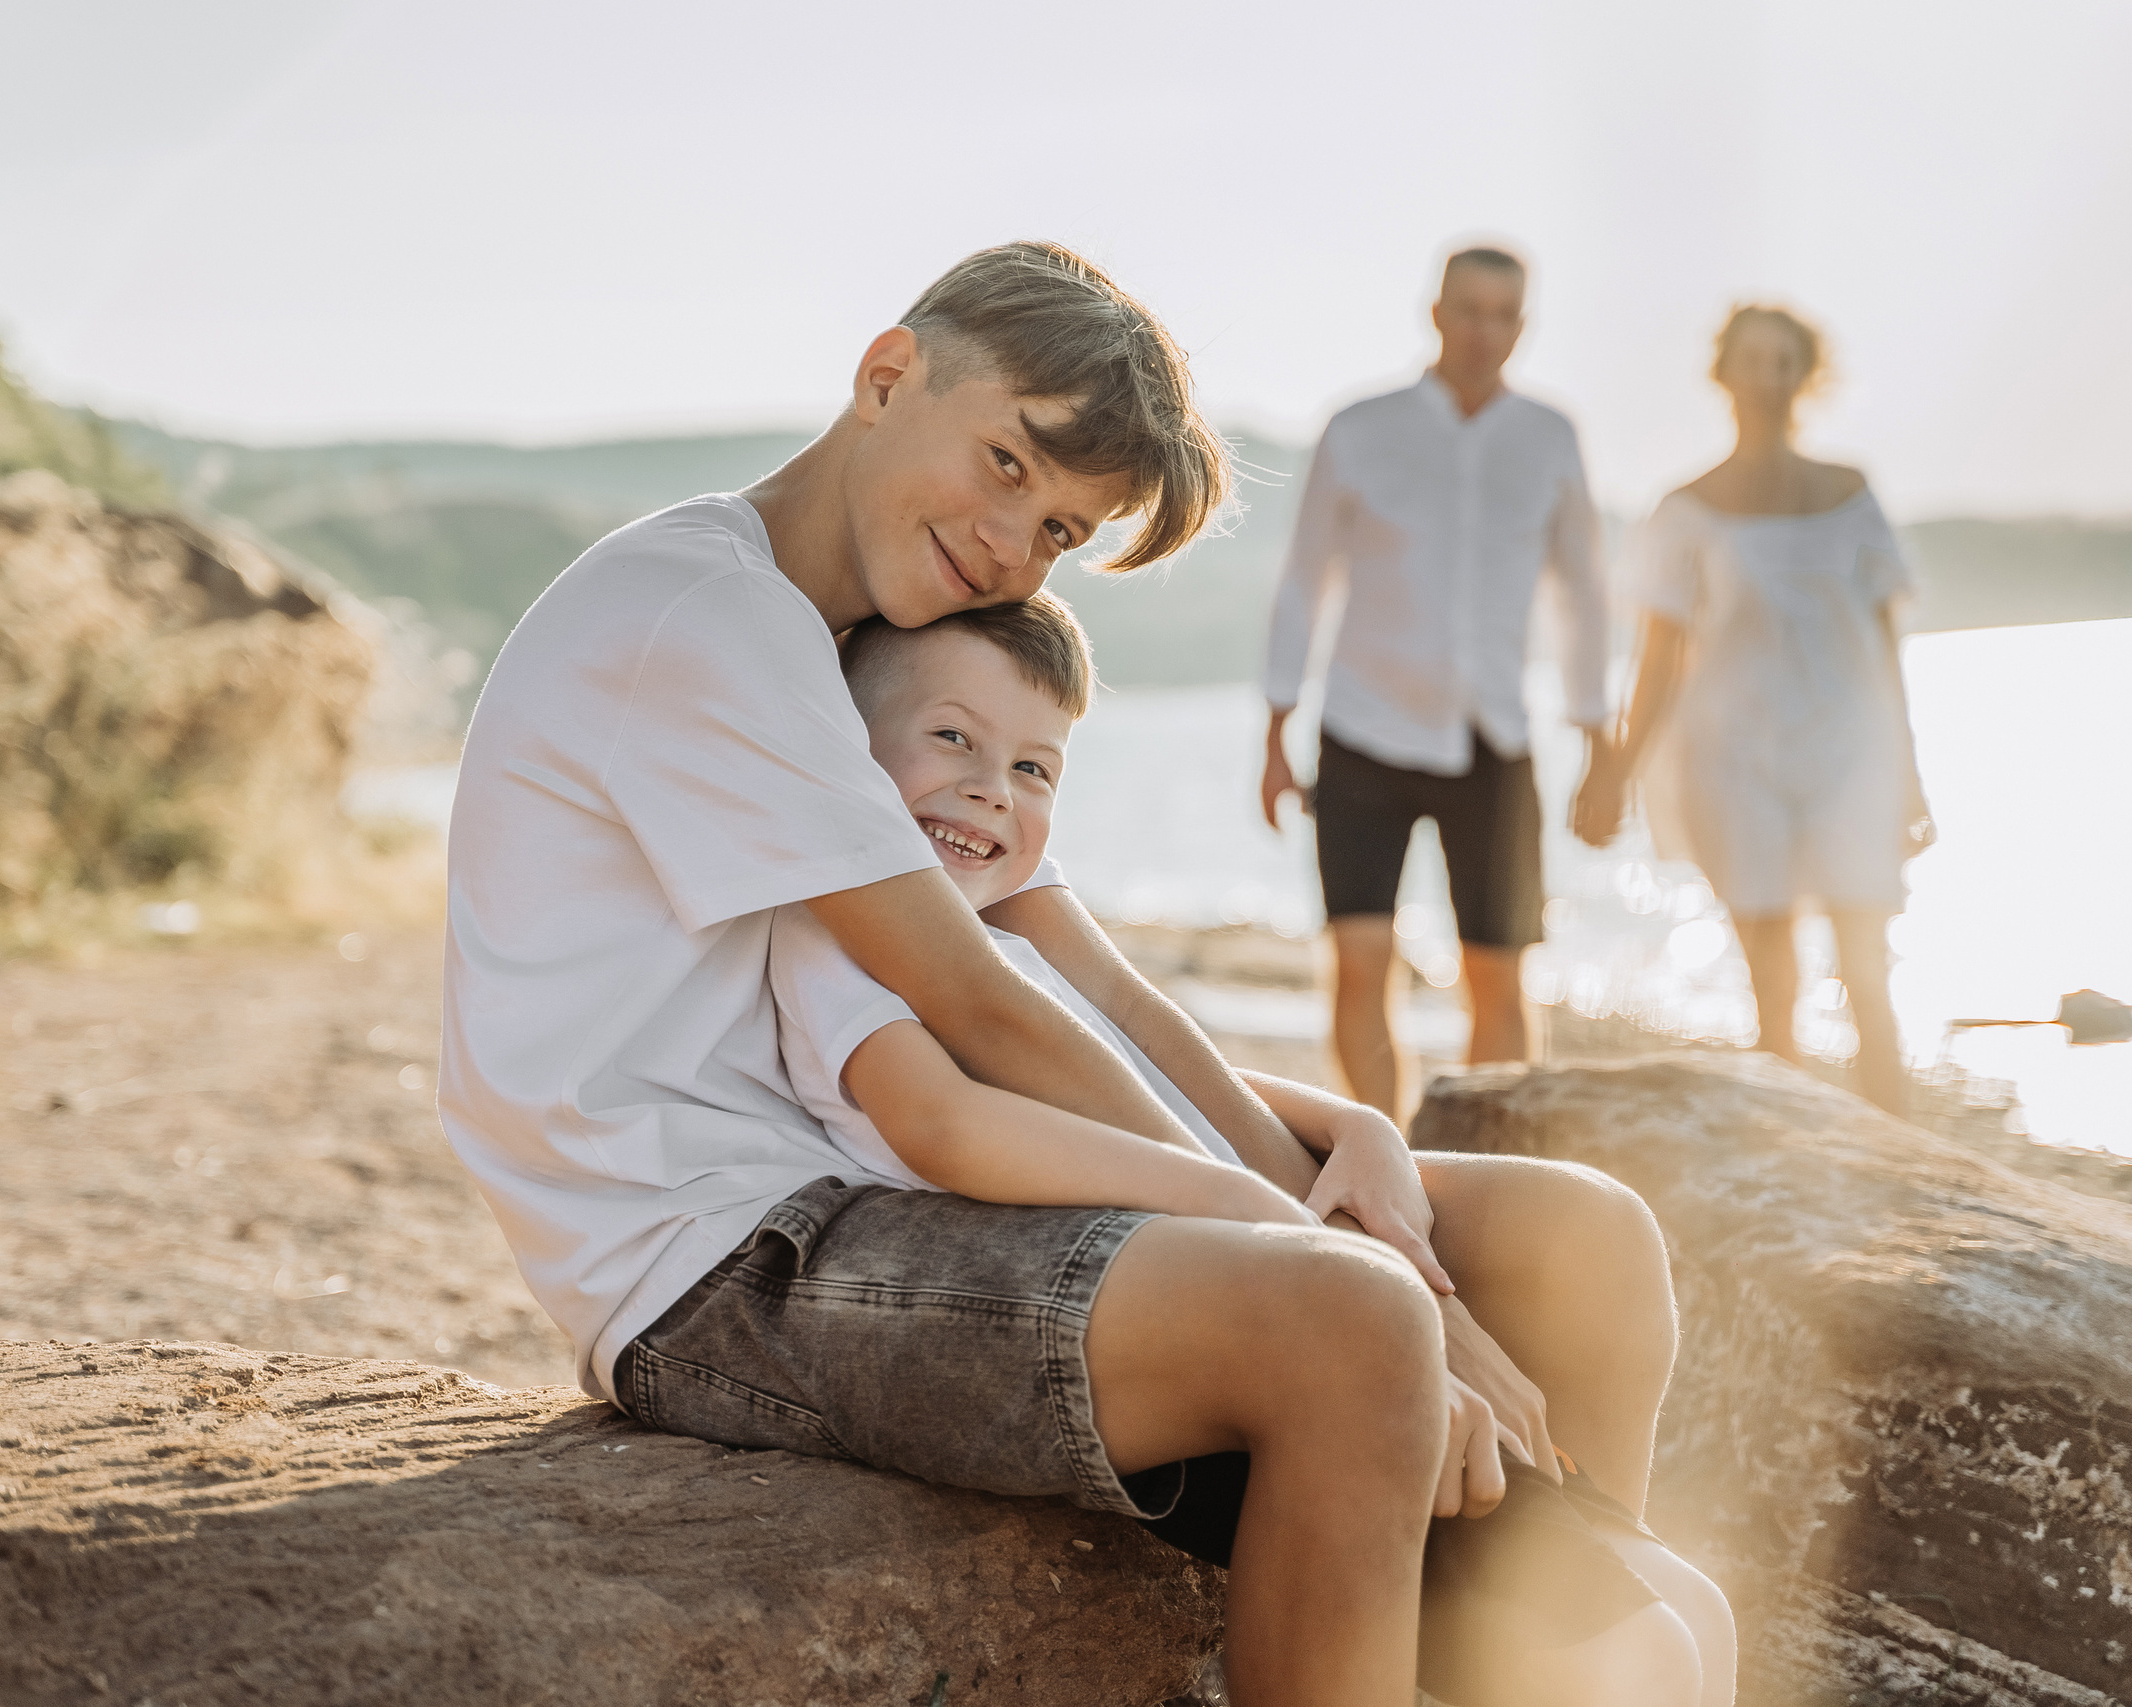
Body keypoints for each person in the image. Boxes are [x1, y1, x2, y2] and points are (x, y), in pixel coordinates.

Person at [441, 240, 1698, 1706]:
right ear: (887, 375)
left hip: (876, 1181)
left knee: (1576, 1238)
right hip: (724, 1261)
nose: (1008, 541)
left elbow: (1088, 992)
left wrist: (1325, 1150)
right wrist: (1346, 1258)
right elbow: (976, 1010)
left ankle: (1568, 1614)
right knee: (1354, 1323)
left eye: (1057, 529)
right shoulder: (712, 621)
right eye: (1004, 462)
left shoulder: (894, 649)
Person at [743, 593, 1733, 1706]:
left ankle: (1575, 1549)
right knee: (1637, 1655)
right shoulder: (841, 930)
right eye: (951, 738)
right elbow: (941, 1120)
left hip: (1235, 1253)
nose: (993, 789)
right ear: (846, 756)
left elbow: (1143, 1059)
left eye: (1033, 769)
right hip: (1181, 1303)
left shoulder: (1002, 920)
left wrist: (1348, 1124)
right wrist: (1285, 1223)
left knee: (1695, 1615)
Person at [1260, 245, 1612, 1119]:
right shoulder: (1359, 428)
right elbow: (1305, 579)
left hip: (1496, 740)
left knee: (1500, 976)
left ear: (1523, 325)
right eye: (1469, 309)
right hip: (1362, 732)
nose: (1484, 330)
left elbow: (1583, 593)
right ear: (1435, 312)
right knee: (1360, 962)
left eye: (1503, 314)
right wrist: (1275, 727)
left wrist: (1599, 738)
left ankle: (1480, 1160)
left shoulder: (1549, 437)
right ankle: (1387, 1152)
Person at [1571, 304, 1933, 1116]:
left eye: (1784, 363)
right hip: (1733, 754)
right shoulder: (1684, 508)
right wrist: (1616, 771)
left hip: (1852, 750)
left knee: (1866, 968)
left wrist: (1911, 775)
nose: (1768, 379)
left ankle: (1900, 1152)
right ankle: (1793, 1154)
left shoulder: (1852, 494)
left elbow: (1886, 646)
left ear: (1805, 376)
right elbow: (1659, 658)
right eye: (1753, 361)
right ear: (1723, 374)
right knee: (1772, 975)